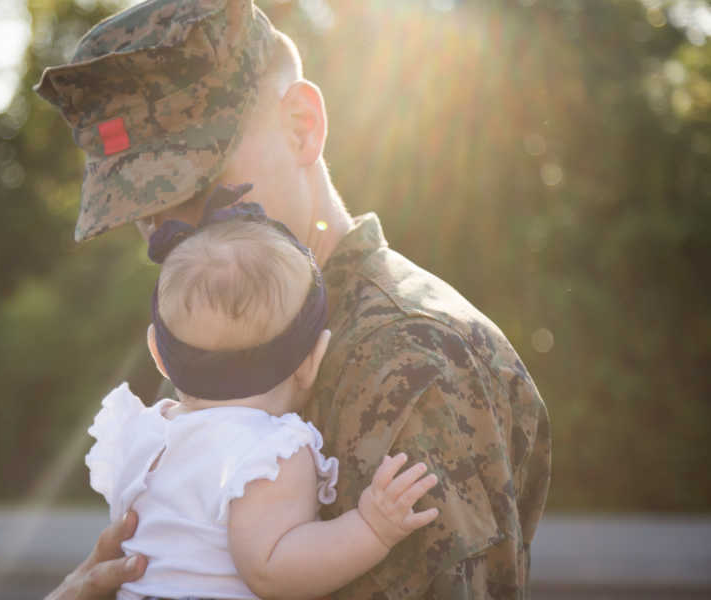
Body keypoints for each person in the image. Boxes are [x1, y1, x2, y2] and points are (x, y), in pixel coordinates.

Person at [36, 0, 551, 598]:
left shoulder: (414, 361)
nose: (174, 237)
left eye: (197, 188)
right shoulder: (221, 325)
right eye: (146, 212)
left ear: (301, 126)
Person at [82, 194, 439, 599]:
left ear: (159, 355)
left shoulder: (141, 433)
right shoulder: (269, 451)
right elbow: (271, 571)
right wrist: (371, 528)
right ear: (312, 361)